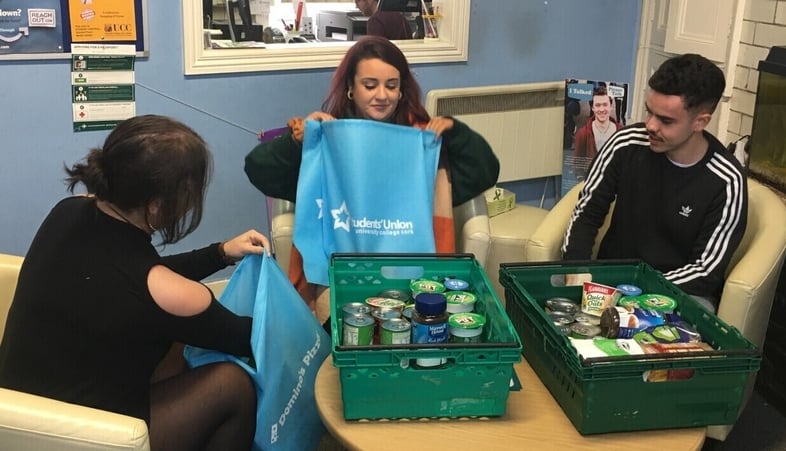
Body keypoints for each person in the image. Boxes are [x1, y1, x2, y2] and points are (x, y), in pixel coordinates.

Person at [0, 115, 271, 451]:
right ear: (156, 205)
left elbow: (138, 277)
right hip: (83, 436)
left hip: (17, 415)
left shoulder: (67, 211)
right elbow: (253, 340)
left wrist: (220, 253)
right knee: (232, 386)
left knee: (172, 346)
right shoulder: (162, 290)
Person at [244, 35, 499, 322]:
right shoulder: (329, 139)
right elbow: (258, 169)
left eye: (391, 85)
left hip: (412, 276)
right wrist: (297, 143)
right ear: (351, 88)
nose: (382, 95)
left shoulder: (422, 139)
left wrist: (456, 134)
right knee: (339, 323)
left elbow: (485, 172)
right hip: (340, 274)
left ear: (401, 91)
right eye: (369, 85)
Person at [561, 53, 748, 311]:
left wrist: (635, 293)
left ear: (700, 121)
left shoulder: (727, 181)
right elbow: (586, 213)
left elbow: (705, 271)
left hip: (679, 293)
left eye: (666, 120)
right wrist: (577, 268)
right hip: (611, 282)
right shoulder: (625, 143)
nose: (650, 125)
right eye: (650, 112)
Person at [573, 86, 624, 180]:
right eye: (598, 105)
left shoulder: (621, 132)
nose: (601, 109)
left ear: (611, 106)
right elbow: (578, 166)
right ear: (592, 108)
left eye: (605, 105)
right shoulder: (582, 134)